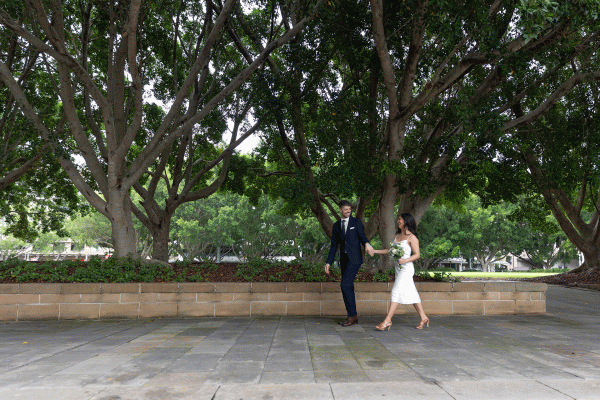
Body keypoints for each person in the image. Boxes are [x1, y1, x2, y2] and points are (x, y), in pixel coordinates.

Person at [371, 213, 429, 331]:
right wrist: (374, 251)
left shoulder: (412, 238)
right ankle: (423, 317)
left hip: (407, 269)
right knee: (411, 293)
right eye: (398, 219)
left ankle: (387, 321)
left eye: (400, 219)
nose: (398, 221)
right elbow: (390, 251)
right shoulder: (397, 236)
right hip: (398, 268)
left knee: (396, 291)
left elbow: (417, 255)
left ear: (406, 221)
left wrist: (405, 260)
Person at [324, 200, 374, 327]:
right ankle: (353, 316)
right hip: (344, 261)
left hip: (355, 259)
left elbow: (363, 237)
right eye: (346, 209)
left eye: (350, 209)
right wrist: (328, 262)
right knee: (348, 286)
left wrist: (367, 244)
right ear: (340, 210)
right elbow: (334, 245)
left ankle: (352, 316)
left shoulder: (356, 222)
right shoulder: (336, 226)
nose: (348, 211)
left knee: (345, 284)